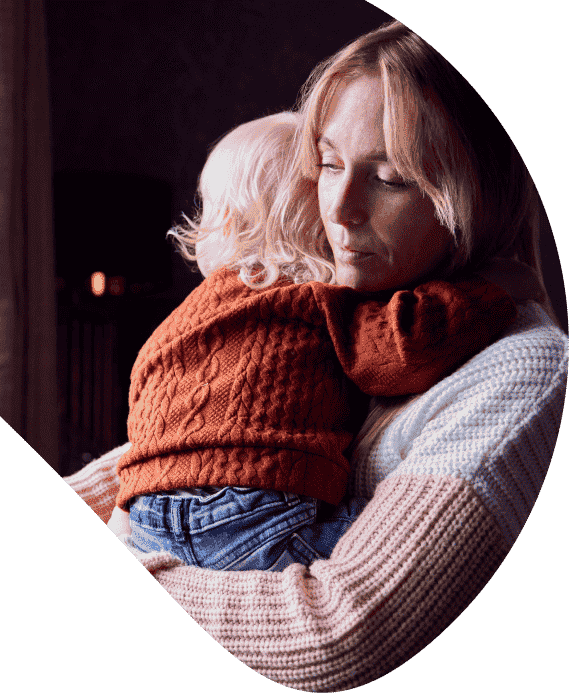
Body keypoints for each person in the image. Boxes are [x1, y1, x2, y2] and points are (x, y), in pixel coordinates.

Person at [64, 20, 568, 691]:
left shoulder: (524, 372)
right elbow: (189, 444)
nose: (339, 208)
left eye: (388, 178)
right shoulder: (336, 306)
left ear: (474, 198)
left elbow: (337, 635)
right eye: (327, 165)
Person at [110, 111, 515, 572]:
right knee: (418, 545)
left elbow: (145, 410)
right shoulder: (317, 299)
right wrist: (491, 289)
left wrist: (129, 506)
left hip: (149, 517)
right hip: (253, 518)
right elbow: (407, 345)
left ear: (224, 222)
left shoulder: (180, 320)